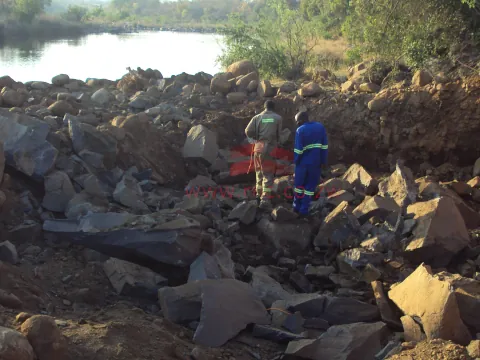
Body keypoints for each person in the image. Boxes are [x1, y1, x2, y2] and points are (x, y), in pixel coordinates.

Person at [245, 100, 283, 209]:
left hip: (258, 147)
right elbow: (279, 135)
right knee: (268, 174)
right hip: (269, 148)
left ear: (264, 107)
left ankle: (258, 194)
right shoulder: (277, 118)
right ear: (273, 107)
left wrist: (253, 140)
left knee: (259, 172)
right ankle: (265, 199)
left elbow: (247, 130)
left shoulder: (257, 117)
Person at [292, 111, 328, 216]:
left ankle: (296, 207)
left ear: (302, 120)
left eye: (297, 122)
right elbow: (324, 147)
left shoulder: (300, 130)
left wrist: (295, 162)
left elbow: (298, 151)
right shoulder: (320, 127)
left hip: (302, 164)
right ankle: (304, 210)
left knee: (299, 186)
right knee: (309, 188)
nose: (297, 124)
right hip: (315, 163)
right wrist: (323, 162)